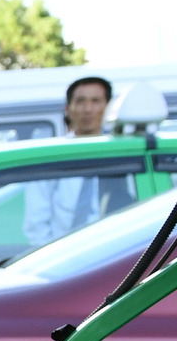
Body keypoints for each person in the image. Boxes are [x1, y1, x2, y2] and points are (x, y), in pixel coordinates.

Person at [23, 76, 125, 245]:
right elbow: (36, 222)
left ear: (108, 107)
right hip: (63, 256)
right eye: (80, 101)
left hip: (115, 252)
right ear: (68, 109)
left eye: (96, 101)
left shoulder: (122, 155)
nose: (88, 109)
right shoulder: (51, 157)